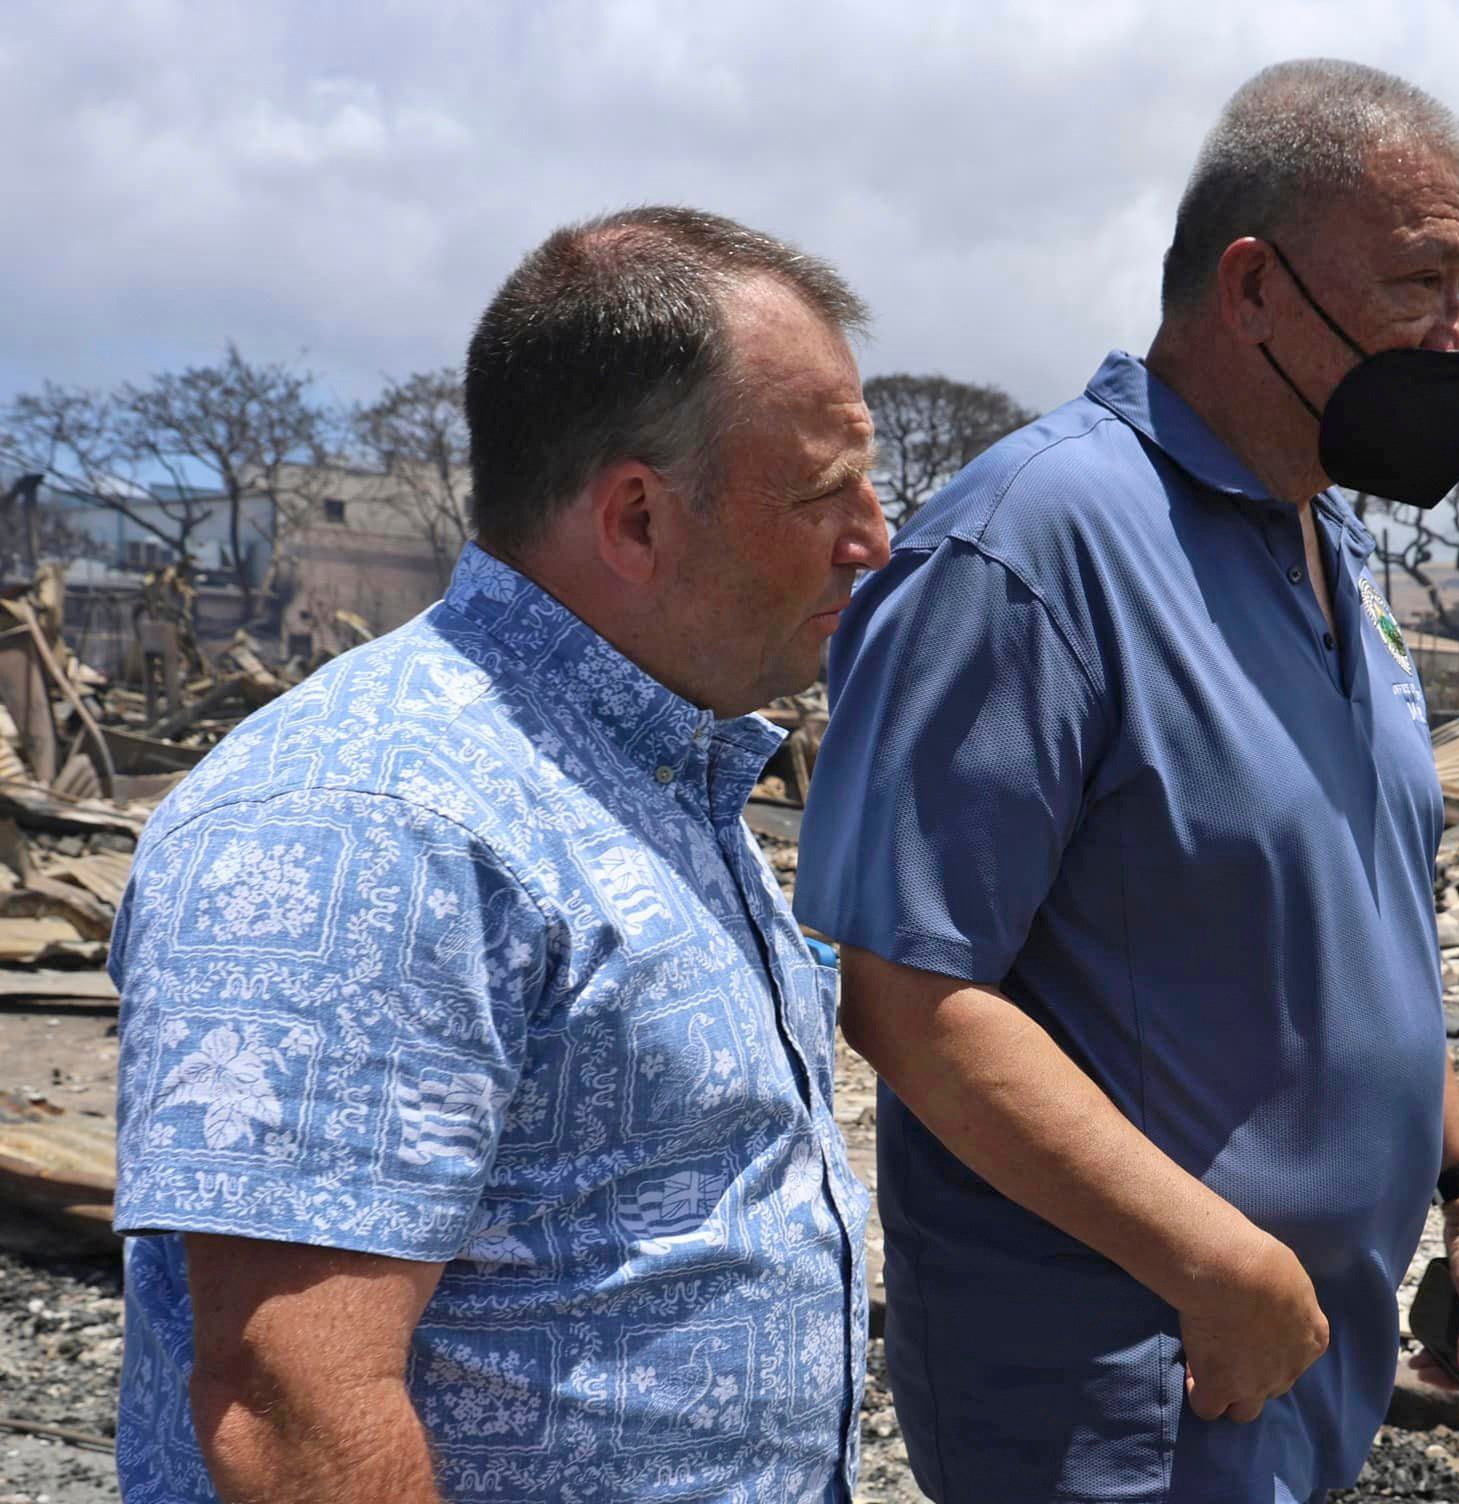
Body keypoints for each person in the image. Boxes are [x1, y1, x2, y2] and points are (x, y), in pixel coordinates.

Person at [795, 59, 1459, 1503]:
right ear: (1252, 288)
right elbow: (905, 990)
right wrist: (1212, 1260)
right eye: (1419, 285)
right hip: (1123, 1382)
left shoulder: (1333, 547)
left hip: (1298, 1356)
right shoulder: (1032, 546)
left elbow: (1361, 910)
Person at [109, 207, 889, 1503]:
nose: (873, 539)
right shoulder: (371, 820)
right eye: (823, 494)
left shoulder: (643, 772)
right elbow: (290, 1414)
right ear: (636, 519)